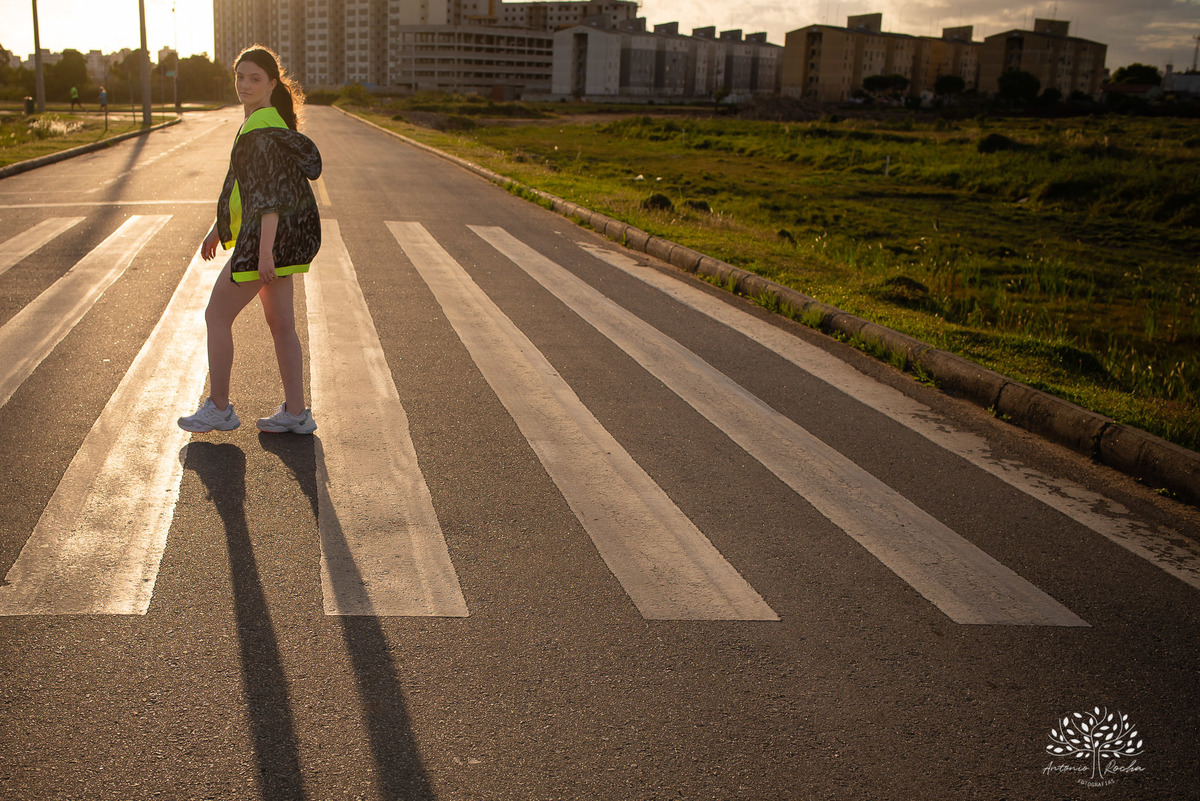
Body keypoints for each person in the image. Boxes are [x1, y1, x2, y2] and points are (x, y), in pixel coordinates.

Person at [178, 45, 322, 435]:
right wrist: (219, 227)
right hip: (278, 243)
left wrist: (262, 255)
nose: (244, 84)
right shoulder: (268, 122)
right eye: (240, 76)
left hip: (264, 243)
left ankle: (220, 407)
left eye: (254, 78)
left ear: (272, 84)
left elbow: (270, 198)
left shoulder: (260, 129)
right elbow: (244, 186)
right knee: (282, 326)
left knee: (216, 315)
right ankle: (296, 413)